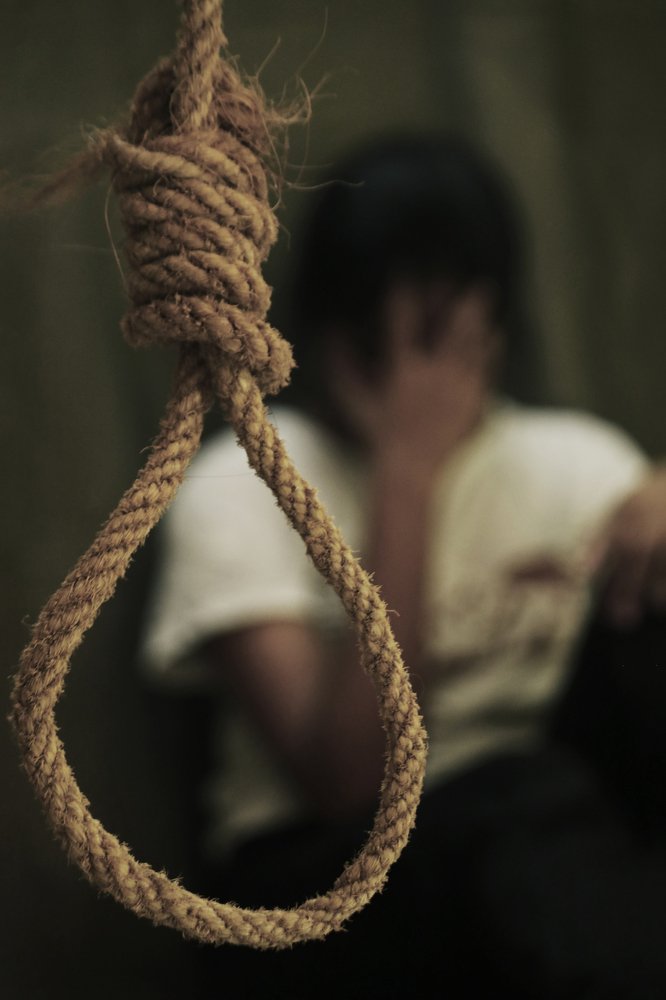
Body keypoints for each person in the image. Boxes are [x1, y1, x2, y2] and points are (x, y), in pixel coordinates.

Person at [142, 134, 666, 998]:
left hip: (560, 841)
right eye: (375, 335)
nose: (407, 368)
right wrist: (408, 471)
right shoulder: (246, 484)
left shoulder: (575, 463)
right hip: (326, 884)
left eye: (437, 331)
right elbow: (352, 783)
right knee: (513, 810)